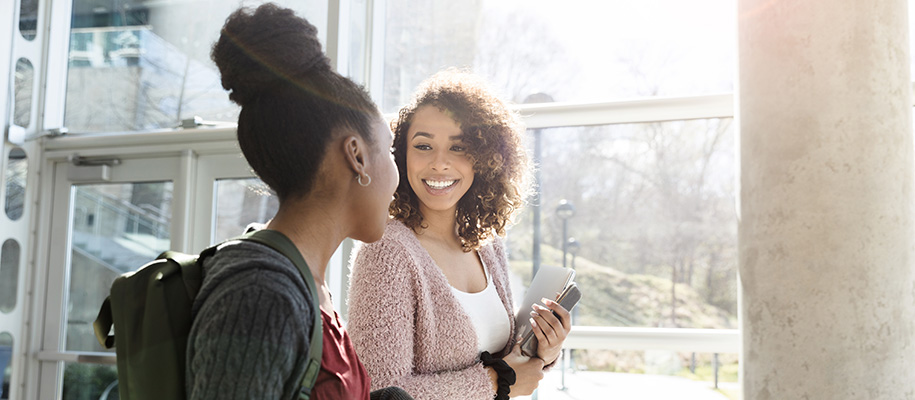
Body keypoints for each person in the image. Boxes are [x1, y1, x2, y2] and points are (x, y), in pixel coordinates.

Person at [187, 4, 411, 399]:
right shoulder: (260, 295)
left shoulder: (305, 285)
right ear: (357, 156)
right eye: (391, 152)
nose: (398, 175)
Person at [347, 70, 572, 400]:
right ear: (400, 155)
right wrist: (497, 382)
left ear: (484, 160)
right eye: (423, 146)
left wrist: (544, 350)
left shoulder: (487, 244)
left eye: (458, 148)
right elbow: (380, 392)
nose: (439, 164)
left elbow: (506, 360)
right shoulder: (386, 252)